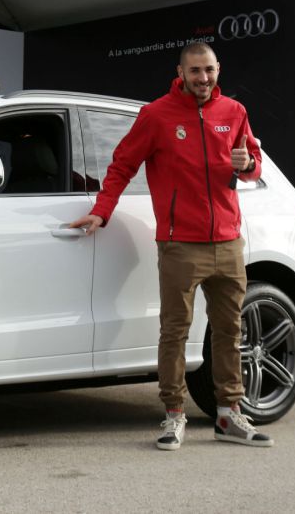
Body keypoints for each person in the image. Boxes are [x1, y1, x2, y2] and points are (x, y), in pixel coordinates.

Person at [69, 42, 272, 451]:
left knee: (230, 332)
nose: (203, 78)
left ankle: (229, 415)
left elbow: (253, 161)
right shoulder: (156, 115)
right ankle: (174, 414)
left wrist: (248, 166)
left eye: (209, 70)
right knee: (175, 332)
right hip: (181, 244)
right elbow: (123, 164)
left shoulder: (234, 112)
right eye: (195, 71)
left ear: (218, 69)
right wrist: (102, 211)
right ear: (180, 72)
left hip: (229, 241)